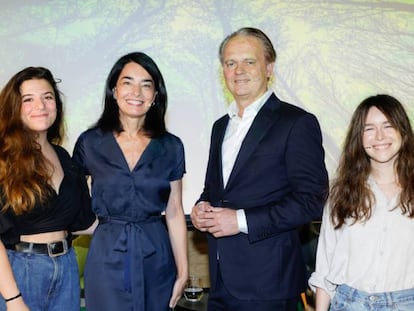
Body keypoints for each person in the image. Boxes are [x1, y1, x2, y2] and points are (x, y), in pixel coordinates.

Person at [190, 27, 329, 311]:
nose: (238, 70)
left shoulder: (296, 123)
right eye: (230, 63)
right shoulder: (220, 126)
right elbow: (214, 190)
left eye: (249, 61)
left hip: (269, 286)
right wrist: (200, 208)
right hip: (219, 282)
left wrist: (239, 221)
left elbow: (312, 201)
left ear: (269, 67)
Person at [72, 52, 188, 311]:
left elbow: (175, 210)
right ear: (114, 90)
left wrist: (183, 272)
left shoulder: (171, 146)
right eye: (127, 82)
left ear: (155, 95)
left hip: (156, 253)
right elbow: (71, 202)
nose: (137, 91)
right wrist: (98, 229)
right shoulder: (90, 142)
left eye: (146, 84)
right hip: (107, 254)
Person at [0, 67, 95, 311]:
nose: (41, 105)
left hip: (67, 268)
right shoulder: (4, 159)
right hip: (19, 273)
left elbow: (84, 222)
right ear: (13, 107)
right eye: (28, 99)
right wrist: (13, 299)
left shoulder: (64, 157)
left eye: (48, 97)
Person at [309, 94, 414, 311]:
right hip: (349, 303)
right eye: (369, 128)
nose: (379, 136)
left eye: (388, 126)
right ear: (359, 137)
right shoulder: (342, 192)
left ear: (403, 131)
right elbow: (326, 265)